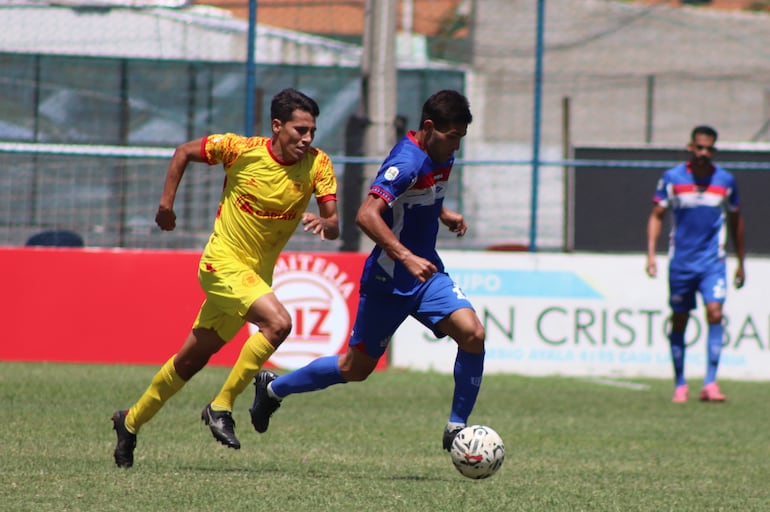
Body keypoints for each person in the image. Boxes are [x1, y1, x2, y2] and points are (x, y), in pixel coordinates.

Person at [111, 88, 340, 468]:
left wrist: (327, 224)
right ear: (277, 126)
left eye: (312, 131)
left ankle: (129, 422)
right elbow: (183, 151)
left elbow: (333, 224)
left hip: (252, 278)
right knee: (279, 323)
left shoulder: (318, 165)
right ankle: (221, 406)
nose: (307, 138)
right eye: (300, 130)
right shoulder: (240, 150)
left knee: (190, 362)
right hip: (221, 263)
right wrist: (166, 205)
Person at [248, 89, 486, 452]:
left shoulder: (440, 153)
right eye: (452, 137)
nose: (455, 147)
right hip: (390, 278)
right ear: (428, 127)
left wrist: (442, 212)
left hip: (426, 274)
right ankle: (272, 388)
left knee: (473, 334)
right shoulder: (405, 162)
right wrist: (405, 256)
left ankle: (457, 429)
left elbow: (417, 196)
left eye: (460, 139)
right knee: (354, 368)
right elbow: (366, 215)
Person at [646, 125, 745, 404]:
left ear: (714, 150)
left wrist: (741, 261)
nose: (704, 153)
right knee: (680, 318)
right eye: (699, 147)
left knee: (715, 313)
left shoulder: (725, 180)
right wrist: (652, 255)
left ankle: (710, 383)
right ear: (690, 147)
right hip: (682, 263)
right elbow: (656, 215)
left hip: (713, 262)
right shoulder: (672, 178)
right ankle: (680, 383)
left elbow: (737, 220)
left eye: (709, 148)